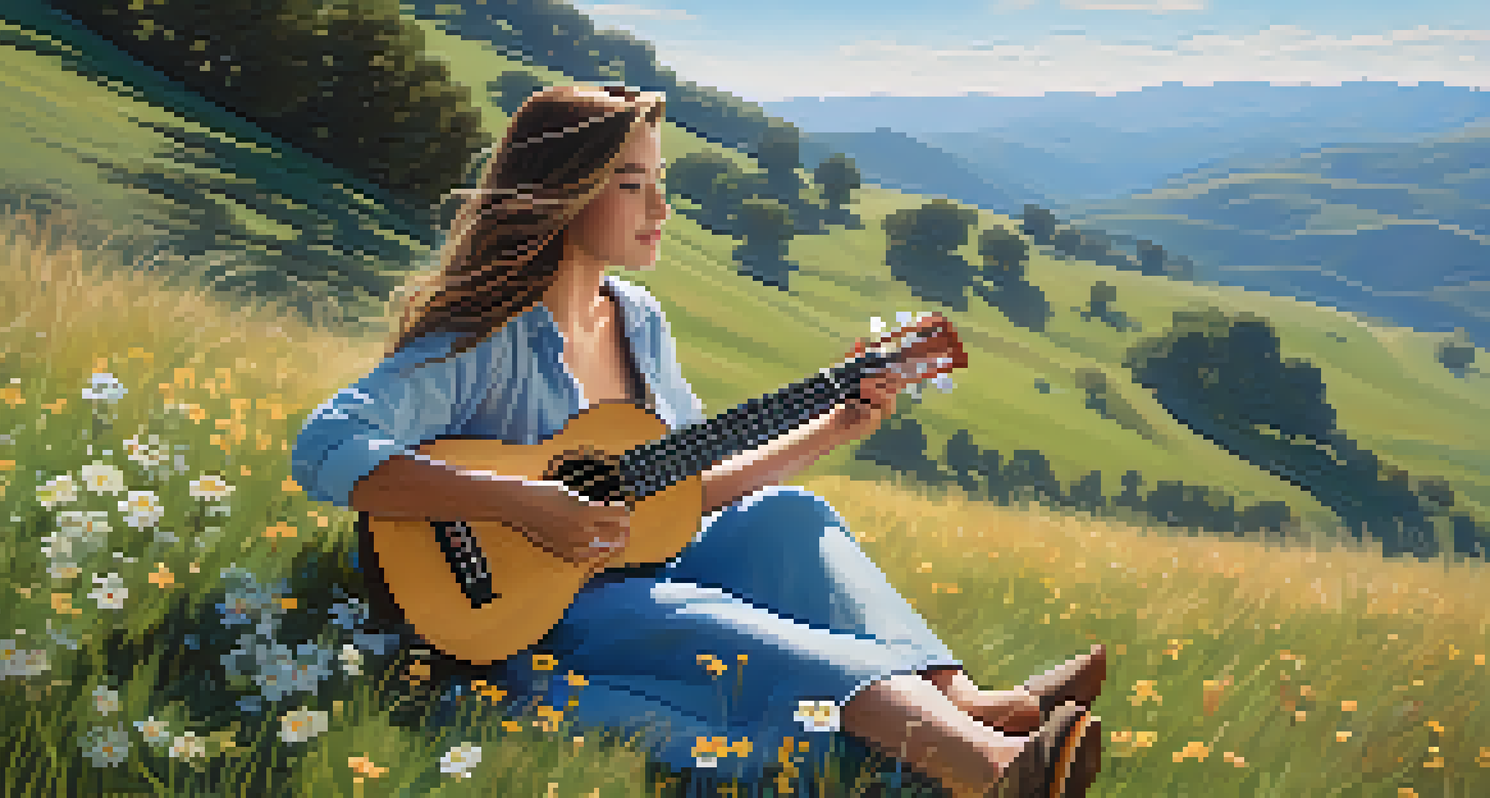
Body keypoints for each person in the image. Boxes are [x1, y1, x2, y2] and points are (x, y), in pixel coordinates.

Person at [292, 84, 1104, 796]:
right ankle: (988, 770)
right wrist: (524, 504)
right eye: (632, 184)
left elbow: (682, 489)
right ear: (562, 192)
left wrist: (833, 426)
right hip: (529, 613)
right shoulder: (484, 339)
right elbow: (327, 445)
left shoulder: (638, 323)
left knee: (791, 516)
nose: (660, 211)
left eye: (661, 184)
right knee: (704, 616)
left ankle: (959, 700)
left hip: (633, 559)